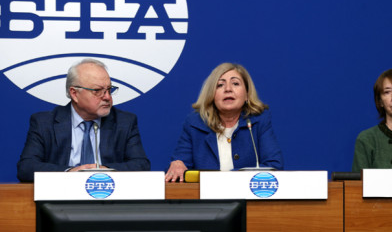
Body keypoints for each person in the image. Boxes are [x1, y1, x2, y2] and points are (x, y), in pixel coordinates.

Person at [17, 58, 150, 182]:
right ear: (74, 94)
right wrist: (70, 172)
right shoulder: (44, 123)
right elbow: (26, 168)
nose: (107, 97)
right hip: (61, 200)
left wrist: (106, 172)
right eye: (98, 91)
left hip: (107, 198)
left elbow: (141, 165)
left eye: (109, 90)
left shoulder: (124, 122)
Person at [165, 63, 283, 182]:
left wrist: (230, 178)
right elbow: (177, 170)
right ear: (212, 95)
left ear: (247, 94)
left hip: (248, 197)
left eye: (235, 83)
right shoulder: (195, 124)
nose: (228, 89)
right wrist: (177, 164)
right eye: (220, 85)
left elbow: (274, 167)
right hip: (207, 198)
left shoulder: (258, 121)